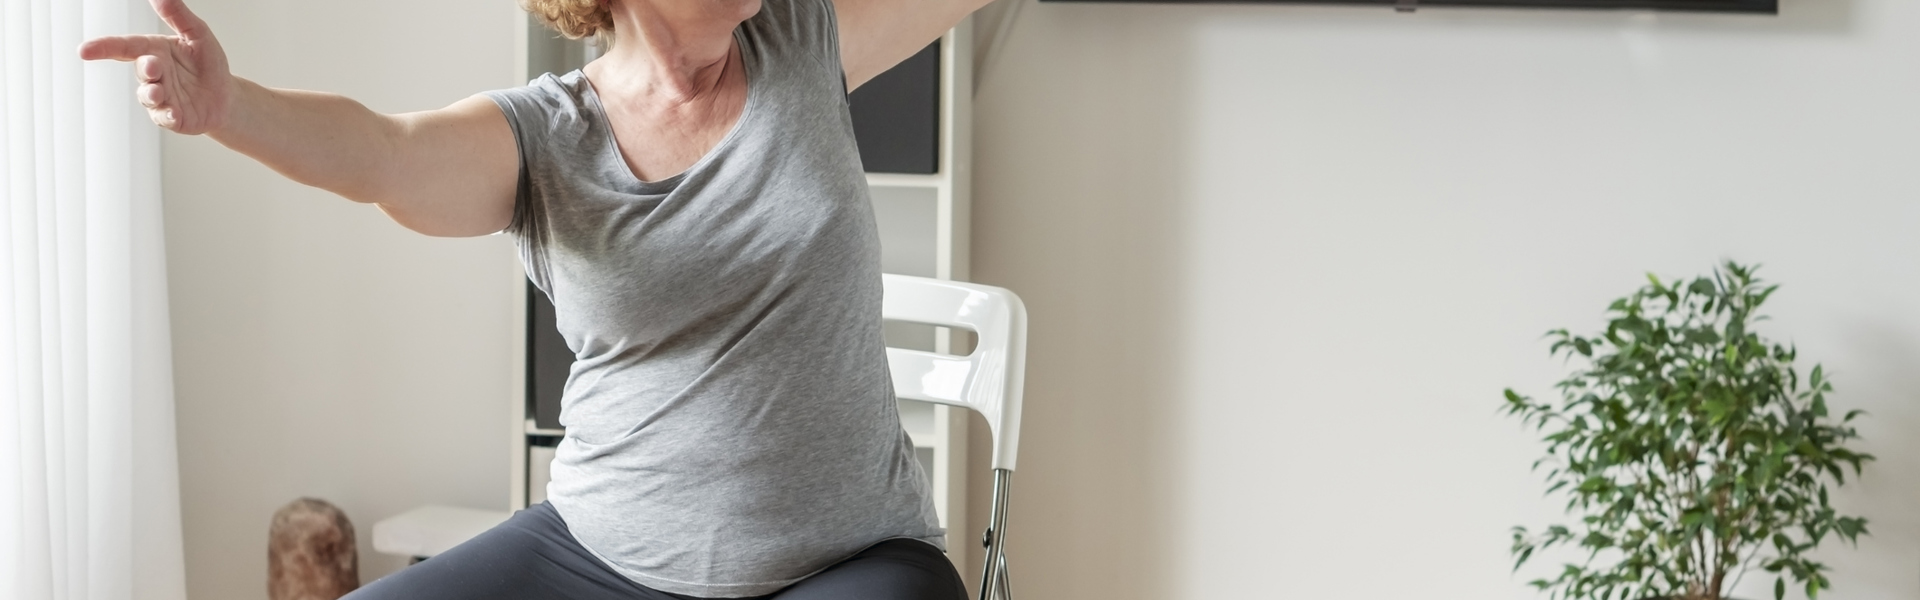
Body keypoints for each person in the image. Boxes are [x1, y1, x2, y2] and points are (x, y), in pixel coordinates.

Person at [81, 0, 993, 597]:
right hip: (595, 551)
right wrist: (231, 106)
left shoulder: (803, 38)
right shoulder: (546, 138)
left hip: (846, 562)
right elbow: (383, 154)